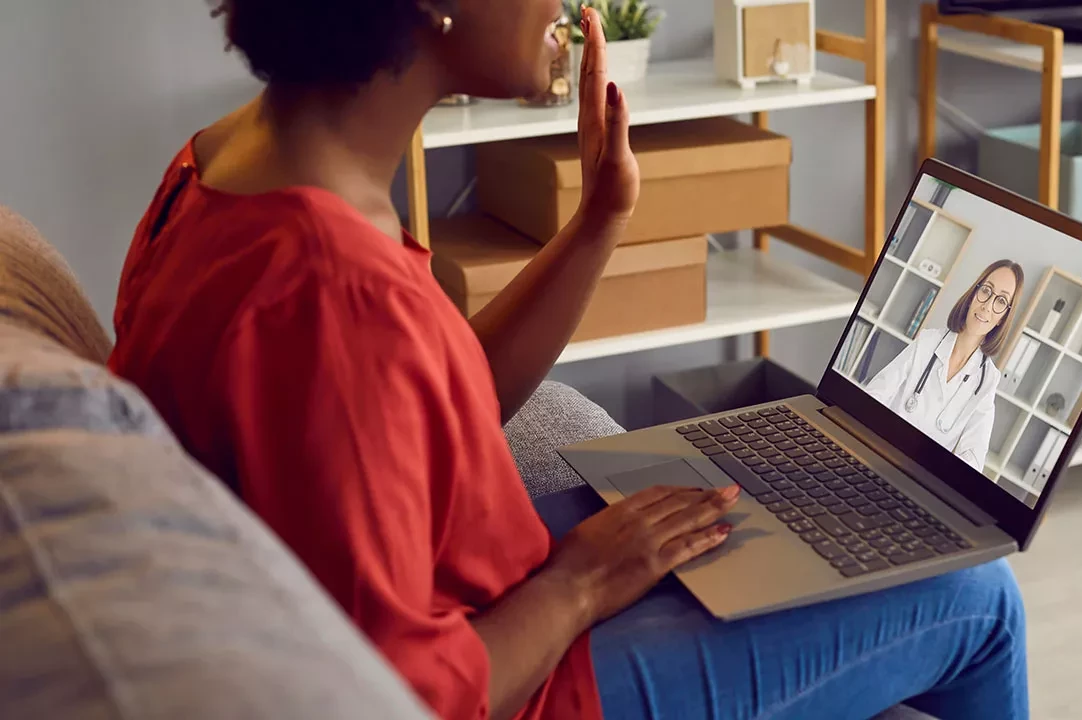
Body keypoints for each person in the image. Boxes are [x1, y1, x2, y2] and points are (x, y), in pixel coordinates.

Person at [108, 2, 1029, 719]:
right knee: (979, 595)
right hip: (524, 689)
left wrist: (600, 217)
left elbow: (437, 403)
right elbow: (399, 701)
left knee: (751, 494)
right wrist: (582, 581)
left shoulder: (227, 163)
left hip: (464, 594)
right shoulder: (332, 288)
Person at [865, 261, 1025, 472]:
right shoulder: (927, 342)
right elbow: (875, 395)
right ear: (972, 296)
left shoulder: (987, 380)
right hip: (880, 452)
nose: (987, 305)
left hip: (924, 476)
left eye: (1001, 300)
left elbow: (974, 456)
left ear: (1002, 318)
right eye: (986, 290)